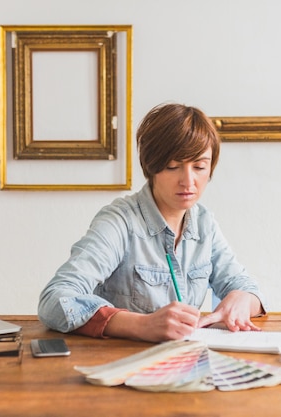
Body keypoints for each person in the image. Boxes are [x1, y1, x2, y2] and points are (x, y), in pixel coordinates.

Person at [38, 102, 266, 342]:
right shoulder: (120, 222)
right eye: (173, 166)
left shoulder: (204, 223)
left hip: (186, 363)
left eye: (199, 166)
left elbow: (245, 286)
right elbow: (54, 300)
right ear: (151, 166)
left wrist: (244, 299)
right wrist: (141, 325)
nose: (188, 181)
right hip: (122, 365)